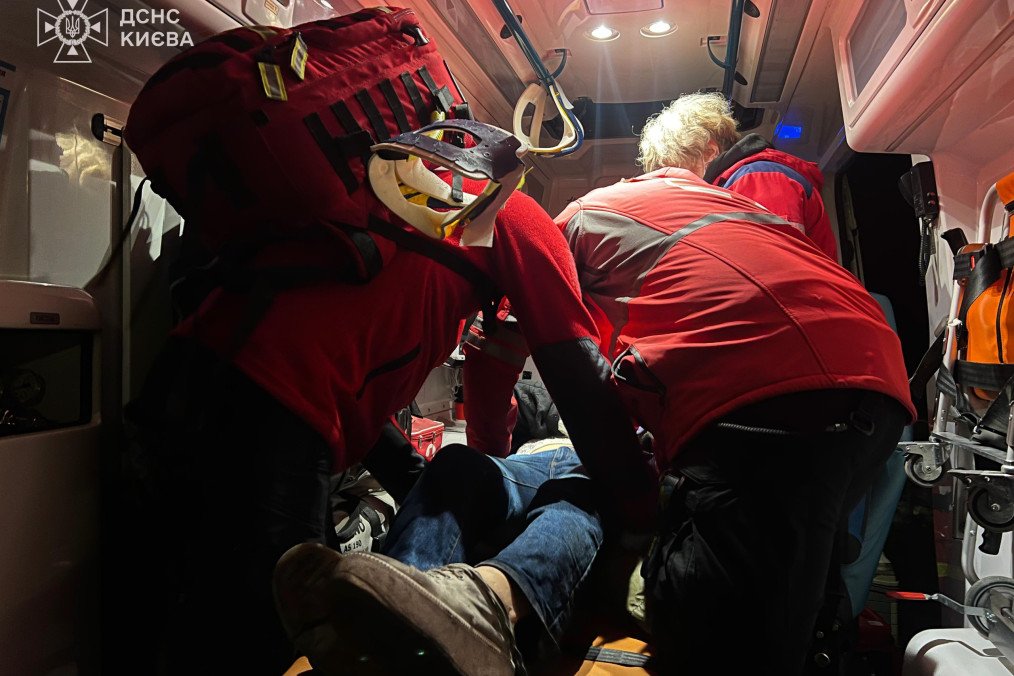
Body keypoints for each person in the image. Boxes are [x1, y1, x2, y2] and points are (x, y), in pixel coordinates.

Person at [119, 12, 655, 674]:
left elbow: (347, 358)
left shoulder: (385, 188)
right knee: (265, 645)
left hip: (177, 385)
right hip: (270, 424)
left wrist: (431, 475)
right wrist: (638, 506)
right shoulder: (516, 212)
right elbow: (580, 376)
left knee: (172, 623)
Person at [548, 111, 916, 673]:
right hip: (878, 390)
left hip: (778, 403)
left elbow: (557, 351)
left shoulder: (584, 214)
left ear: (651, 167)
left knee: (715, 629)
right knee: (793, 586)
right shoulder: (736, 209)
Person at [275, 437, 598, 675]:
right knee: (458, 460)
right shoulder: (547, 408)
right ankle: (391, 613)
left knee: (582, 494)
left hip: (597, 465)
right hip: (531, 460)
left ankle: (484, 613)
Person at [639, 91, 838, 260]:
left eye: (679, 169)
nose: (677, 184)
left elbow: (772, 267)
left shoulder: (757, 178)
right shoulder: (739, 184)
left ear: (709, 152)